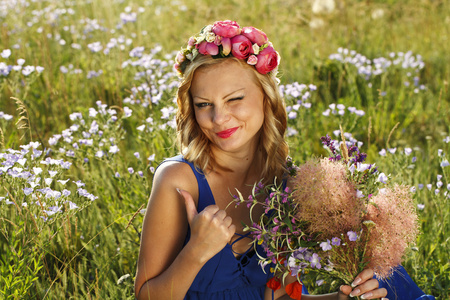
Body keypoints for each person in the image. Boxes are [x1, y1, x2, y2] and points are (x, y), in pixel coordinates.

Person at [134, 20, 427, 300]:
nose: (219, 118)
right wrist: (196, 250)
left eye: (234, 99)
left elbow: (282, 295)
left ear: (266, 97)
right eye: (203, 105)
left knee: (389, 276)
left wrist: (342, 298)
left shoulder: (283, 182)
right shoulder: (180, 180)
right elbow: (146, 295)